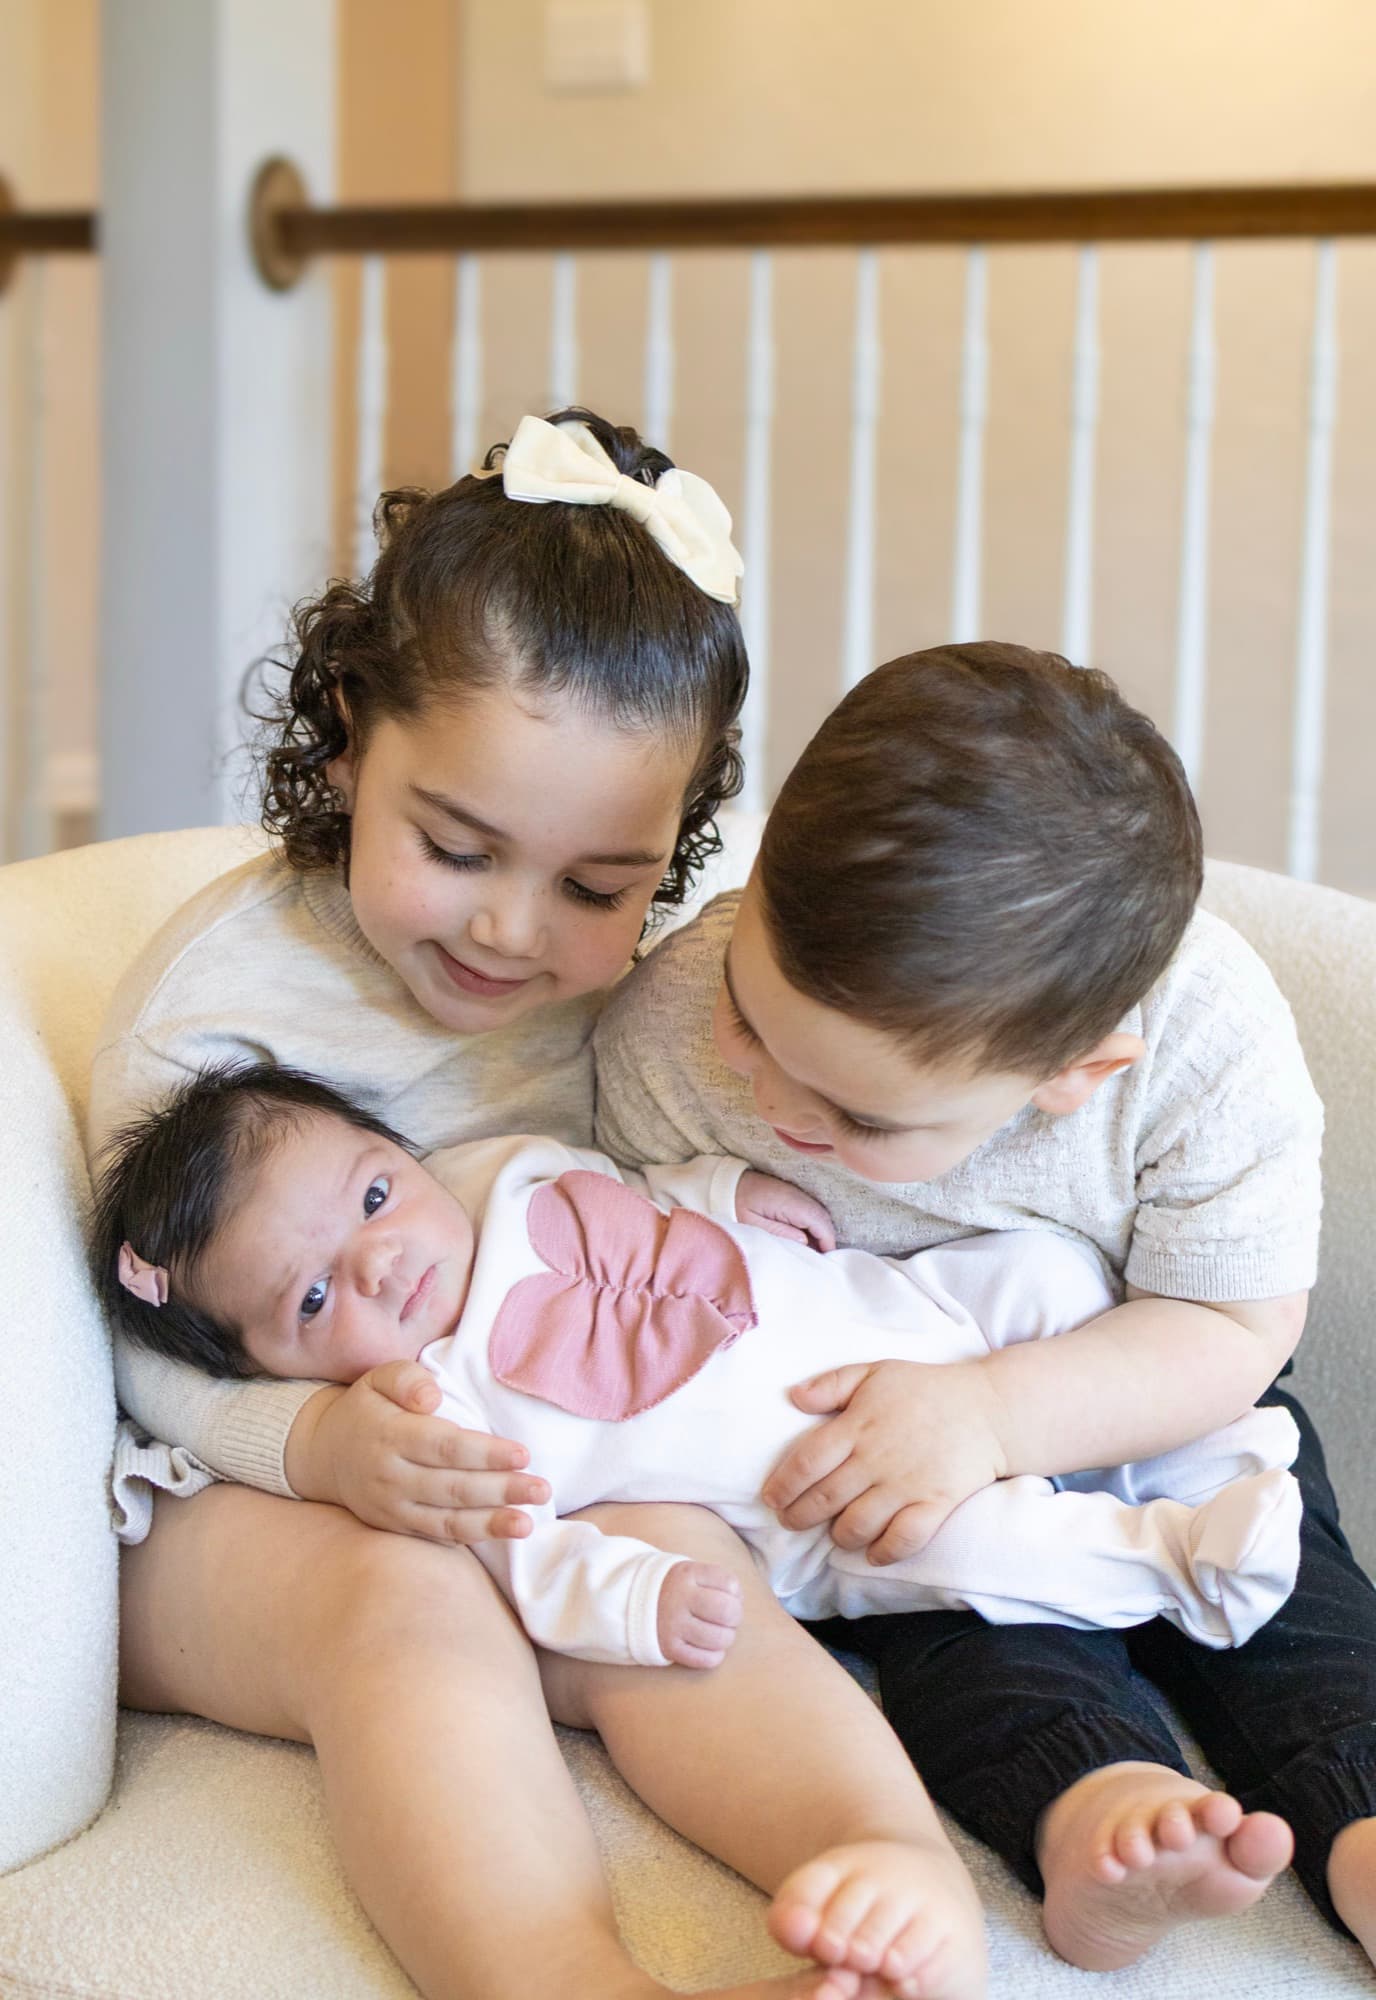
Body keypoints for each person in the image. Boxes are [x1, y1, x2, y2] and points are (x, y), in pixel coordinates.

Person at [88, 413, 984, 2000]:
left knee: (674, 1572)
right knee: (405, 1591)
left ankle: (891, 1873)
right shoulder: (214, 1020)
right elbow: (135, 1333)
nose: (512, 931)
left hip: (530, 1463)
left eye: (596, 887)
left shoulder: (644, 1001)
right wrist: (317, 1448)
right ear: (353, 736)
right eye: (458, 847)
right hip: (238, 1500)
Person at [593, 640, 1376, 1974]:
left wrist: (1000, 1413)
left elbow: (1237, 1329)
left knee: (1301, 1606)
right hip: (885, 1436)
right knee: (972, 1638)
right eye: (752, 1019)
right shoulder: (667, 1018)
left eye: (855, 1115)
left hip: (1156, 1387)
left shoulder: (1208, 1046)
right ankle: (1099, 1822)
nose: (775, 1104)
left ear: (1075, 1073)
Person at [94, 1063, 1304, 1660]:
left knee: (1043, 1273)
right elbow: (535, 1556)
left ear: (395, 1148)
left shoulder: (497, 1168)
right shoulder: (434, 1415)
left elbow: (639, 1189)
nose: (378, 1260)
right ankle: (1175, 1565)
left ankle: (1205, 1447)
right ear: (278, 1371)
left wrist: (735, 1189)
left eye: (370, 1191)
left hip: (895, 1314)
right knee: (972, 1546)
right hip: (827, 1503)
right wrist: (639, 1605)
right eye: (311, 1295)